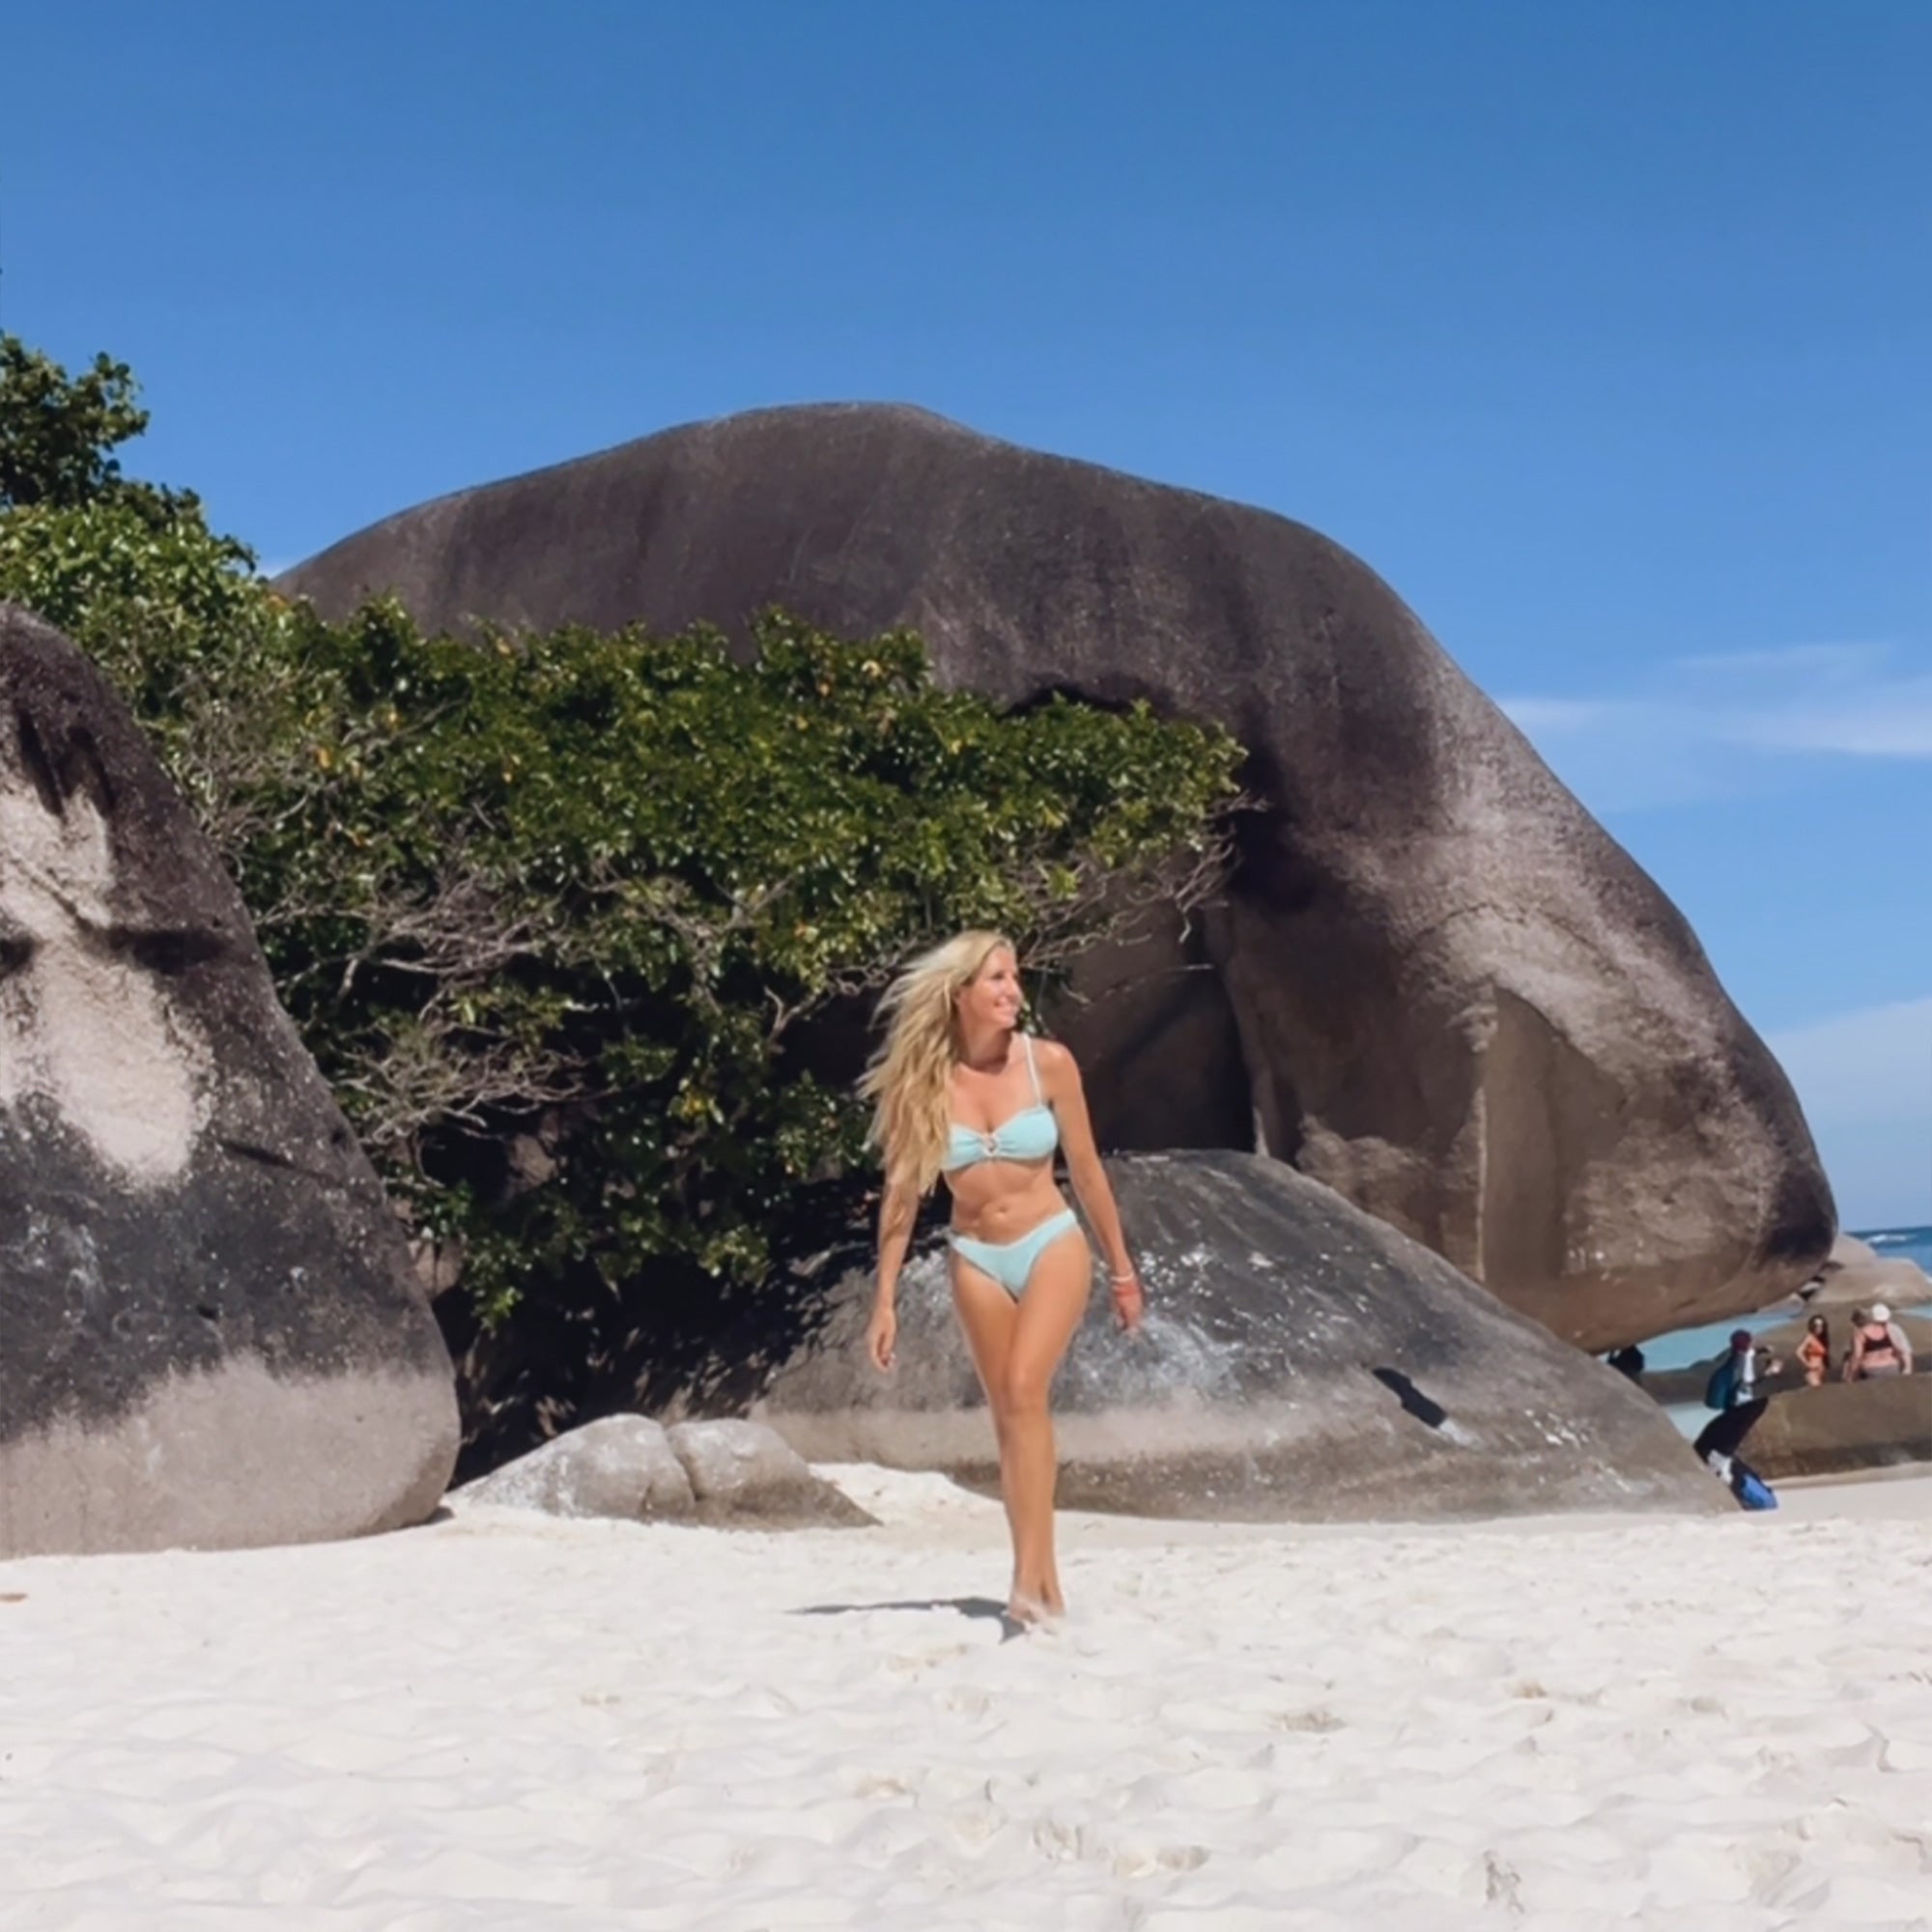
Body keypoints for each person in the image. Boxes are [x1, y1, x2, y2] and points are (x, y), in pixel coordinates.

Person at [860, 930, 1144, 1628]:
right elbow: (901, 1199)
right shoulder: (922, 1085)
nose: (1013, 991)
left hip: (1051, 1243)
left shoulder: (1049, 1064)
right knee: (1010, 1417)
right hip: (976, 1256)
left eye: (1014, 978)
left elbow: (1086, 1170)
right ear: (959, 992)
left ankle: (1028, 1580)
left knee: (1023, 1388)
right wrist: (885, 1299)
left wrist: (1122, 1269)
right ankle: (1043, 1585)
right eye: (996, 979)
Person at [1692, 1328, 1781, 1482]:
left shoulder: (1741, 1355)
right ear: (1747, 1343)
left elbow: (1750, 1354)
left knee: (1730, 1433)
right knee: (1735, 1434)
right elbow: (1744, 1385)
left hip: (1736, 1403)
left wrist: (1762, 1350)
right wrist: (1768, 1372)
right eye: (1750, 1341)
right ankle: (1721, 1468)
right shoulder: (1740, 1364)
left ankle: (1722, 1465)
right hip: (1740, 1402)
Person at [1846, 1302, 1914, 1380]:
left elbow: (1857, 1357)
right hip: (1892, 1367)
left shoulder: (1861, 1333)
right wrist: (1907, 1368)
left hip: (1871, 1369)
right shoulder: (1892, 1329)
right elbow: (1905, 1350)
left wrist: (1851, 1375)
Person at [1796, 1312, 1832, 1389]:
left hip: (1821, 1370)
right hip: (1812, 1370)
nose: (1819, 1328)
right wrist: (1807, 1364)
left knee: (1821, 1390)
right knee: (1817, 1390)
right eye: (1816, 1326)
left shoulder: (1822, 1339)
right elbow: (1798, 1351)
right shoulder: (1809, 1337)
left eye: (1821, 1326)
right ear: (1812, 1326)